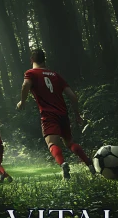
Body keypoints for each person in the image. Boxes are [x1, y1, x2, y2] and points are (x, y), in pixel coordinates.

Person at [17, 49, 96, 180]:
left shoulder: (30, 73)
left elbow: (25, 85)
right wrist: (77, 114)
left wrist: (22, 101)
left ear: (31, 60)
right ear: (44, 60)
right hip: (63, 114)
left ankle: (63, 164)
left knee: (52, 144)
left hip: (49, 115)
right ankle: (89, 163)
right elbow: (72, 96)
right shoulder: (55, 75)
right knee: (70, 142)